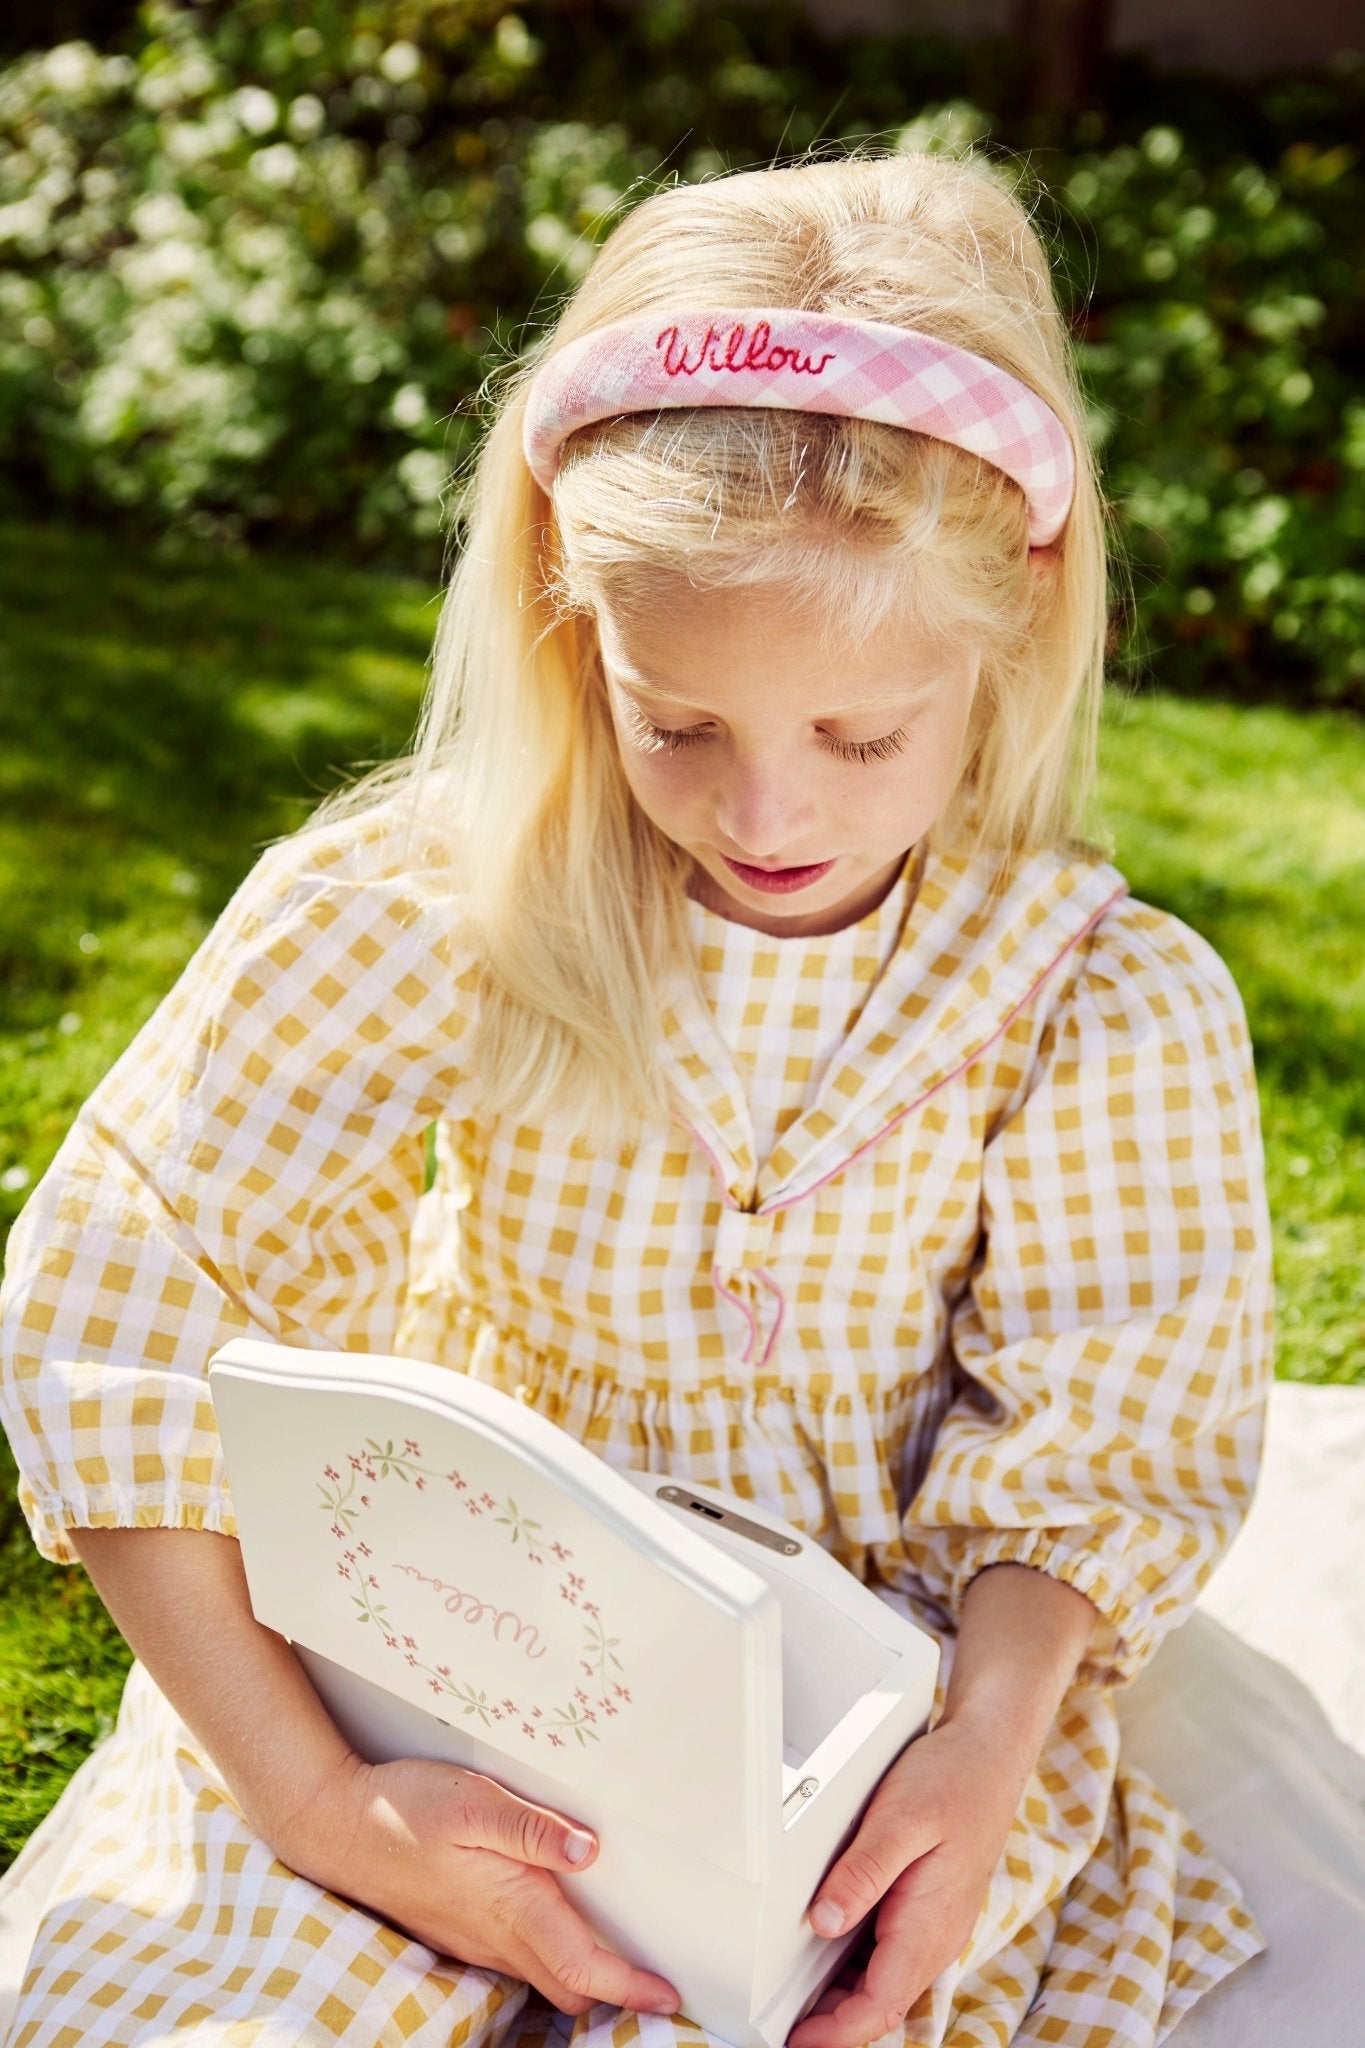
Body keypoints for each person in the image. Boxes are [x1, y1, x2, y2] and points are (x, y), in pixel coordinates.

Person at [0, 146, 1273, 2048]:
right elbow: (129, 1306)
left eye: (862, 735)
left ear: (1008, 624)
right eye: (675, 721)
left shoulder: (1095, 1002)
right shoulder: (427, 900)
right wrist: (319, 1801)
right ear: (567, 618)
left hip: (866, 1718)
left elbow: (1107, 1439)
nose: (768, 816)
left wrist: (984, 1750)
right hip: (438, 1648)